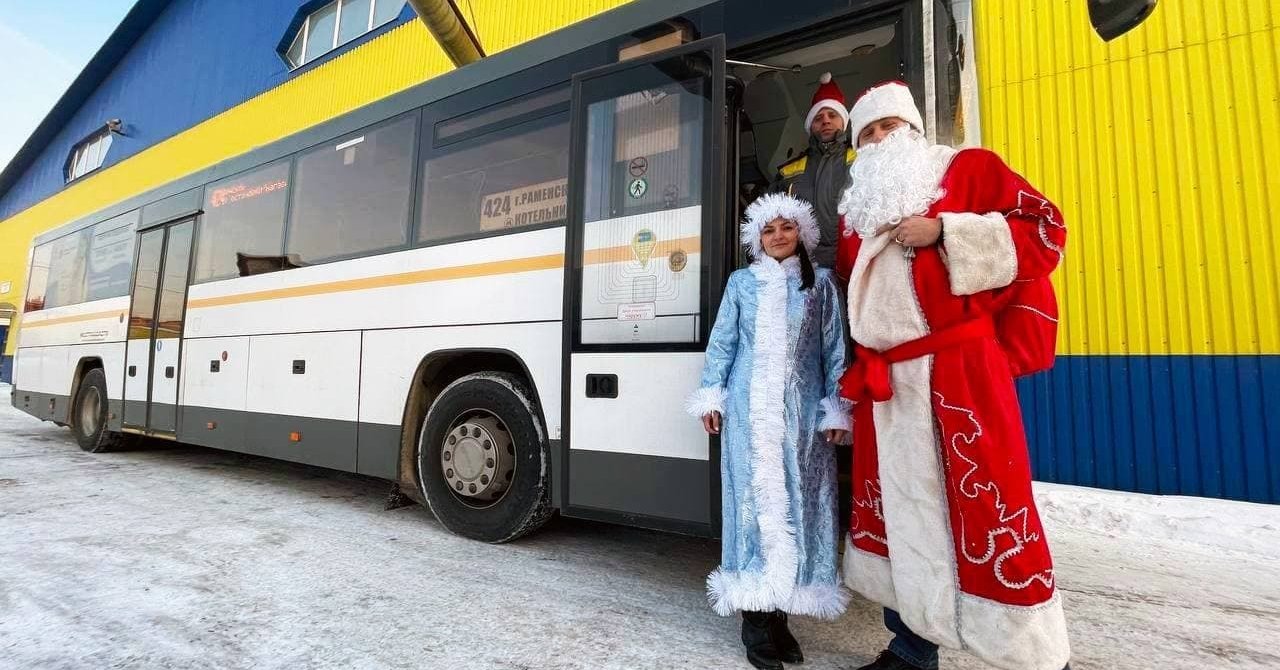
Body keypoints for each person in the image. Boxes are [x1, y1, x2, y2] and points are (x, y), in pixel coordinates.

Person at [832, 81, 1072, 670]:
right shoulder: (856, 212)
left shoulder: (967, 169)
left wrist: (947, 232)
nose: (880, 139)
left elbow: (1047, 232)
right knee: (899, 514)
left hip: (959, 373)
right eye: (867, 133)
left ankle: (1038, 655)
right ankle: (912, 650)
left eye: (888, 126)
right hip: (887, 386)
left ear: (912, 127)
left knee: (986, 509)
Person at [686, 192, 852, 670]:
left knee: (801, 505)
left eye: (787, 227)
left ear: (802, 232)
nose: (778, 236)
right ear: (756, 238)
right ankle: (755, 624)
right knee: (753, 506)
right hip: (747, 412)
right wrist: (712, 394)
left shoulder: (821, 284)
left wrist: (837, 409)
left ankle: (782, 615)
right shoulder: (741, 283)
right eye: (768, 229)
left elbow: (835, 351)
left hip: (802, 418)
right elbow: (723, 343)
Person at [772, 72, 855, 268]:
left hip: (853, 263)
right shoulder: (787, 173)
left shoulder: (864, 160)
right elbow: (766, 224)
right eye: (819, 117)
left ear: (843, 122)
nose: (826, 120)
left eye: (832, 115)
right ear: (811, 125)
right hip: (803, 268)